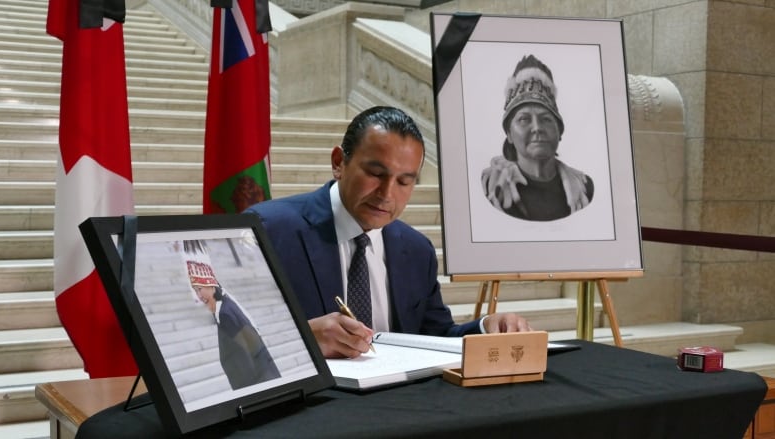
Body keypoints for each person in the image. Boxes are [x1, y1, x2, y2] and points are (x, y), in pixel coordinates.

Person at [245, 106, 531, 359]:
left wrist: (486, 328)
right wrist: (303, 339)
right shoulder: (268, 230)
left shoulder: (417, 250)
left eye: (404, 181)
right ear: (338, 163)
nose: (386, 194)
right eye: (375, 174)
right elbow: (230, 341)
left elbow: (434, 340)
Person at [481, 54, 594, 221]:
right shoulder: (492, 188)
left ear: (560, 132)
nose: (537, 128)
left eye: (546, 119)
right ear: (509, 134)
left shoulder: (584, 189)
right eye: (524, 119)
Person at [186, 258, 281, 389]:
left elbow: (251, 351)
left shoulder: (226, 314)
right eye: (195, 290)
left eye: (200, 289)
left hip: (260, 382)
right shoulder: (225, 308)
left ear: (211, 285)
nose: (199, 295)